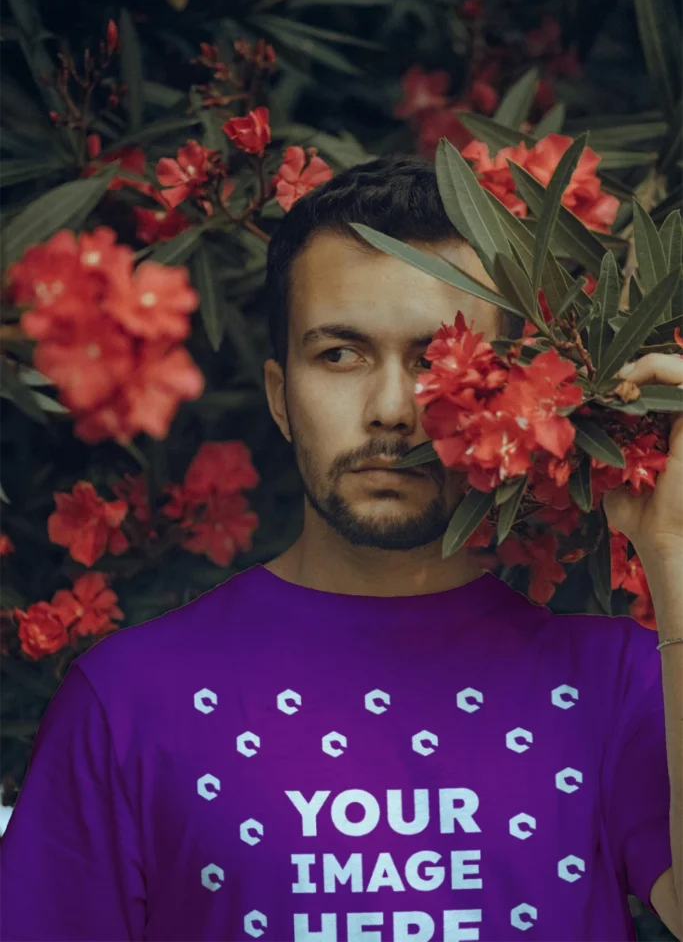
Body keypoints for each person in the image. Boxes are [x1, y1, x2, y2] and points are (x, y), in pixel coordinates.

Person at [0, 155, 675, 941]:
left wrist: (673, 547)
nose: (391, 410)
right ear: (281, 398)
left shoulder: (618, 685)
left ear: (512, 392)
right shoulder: (127, 701)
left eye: (435, 360)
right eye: (339, 355)